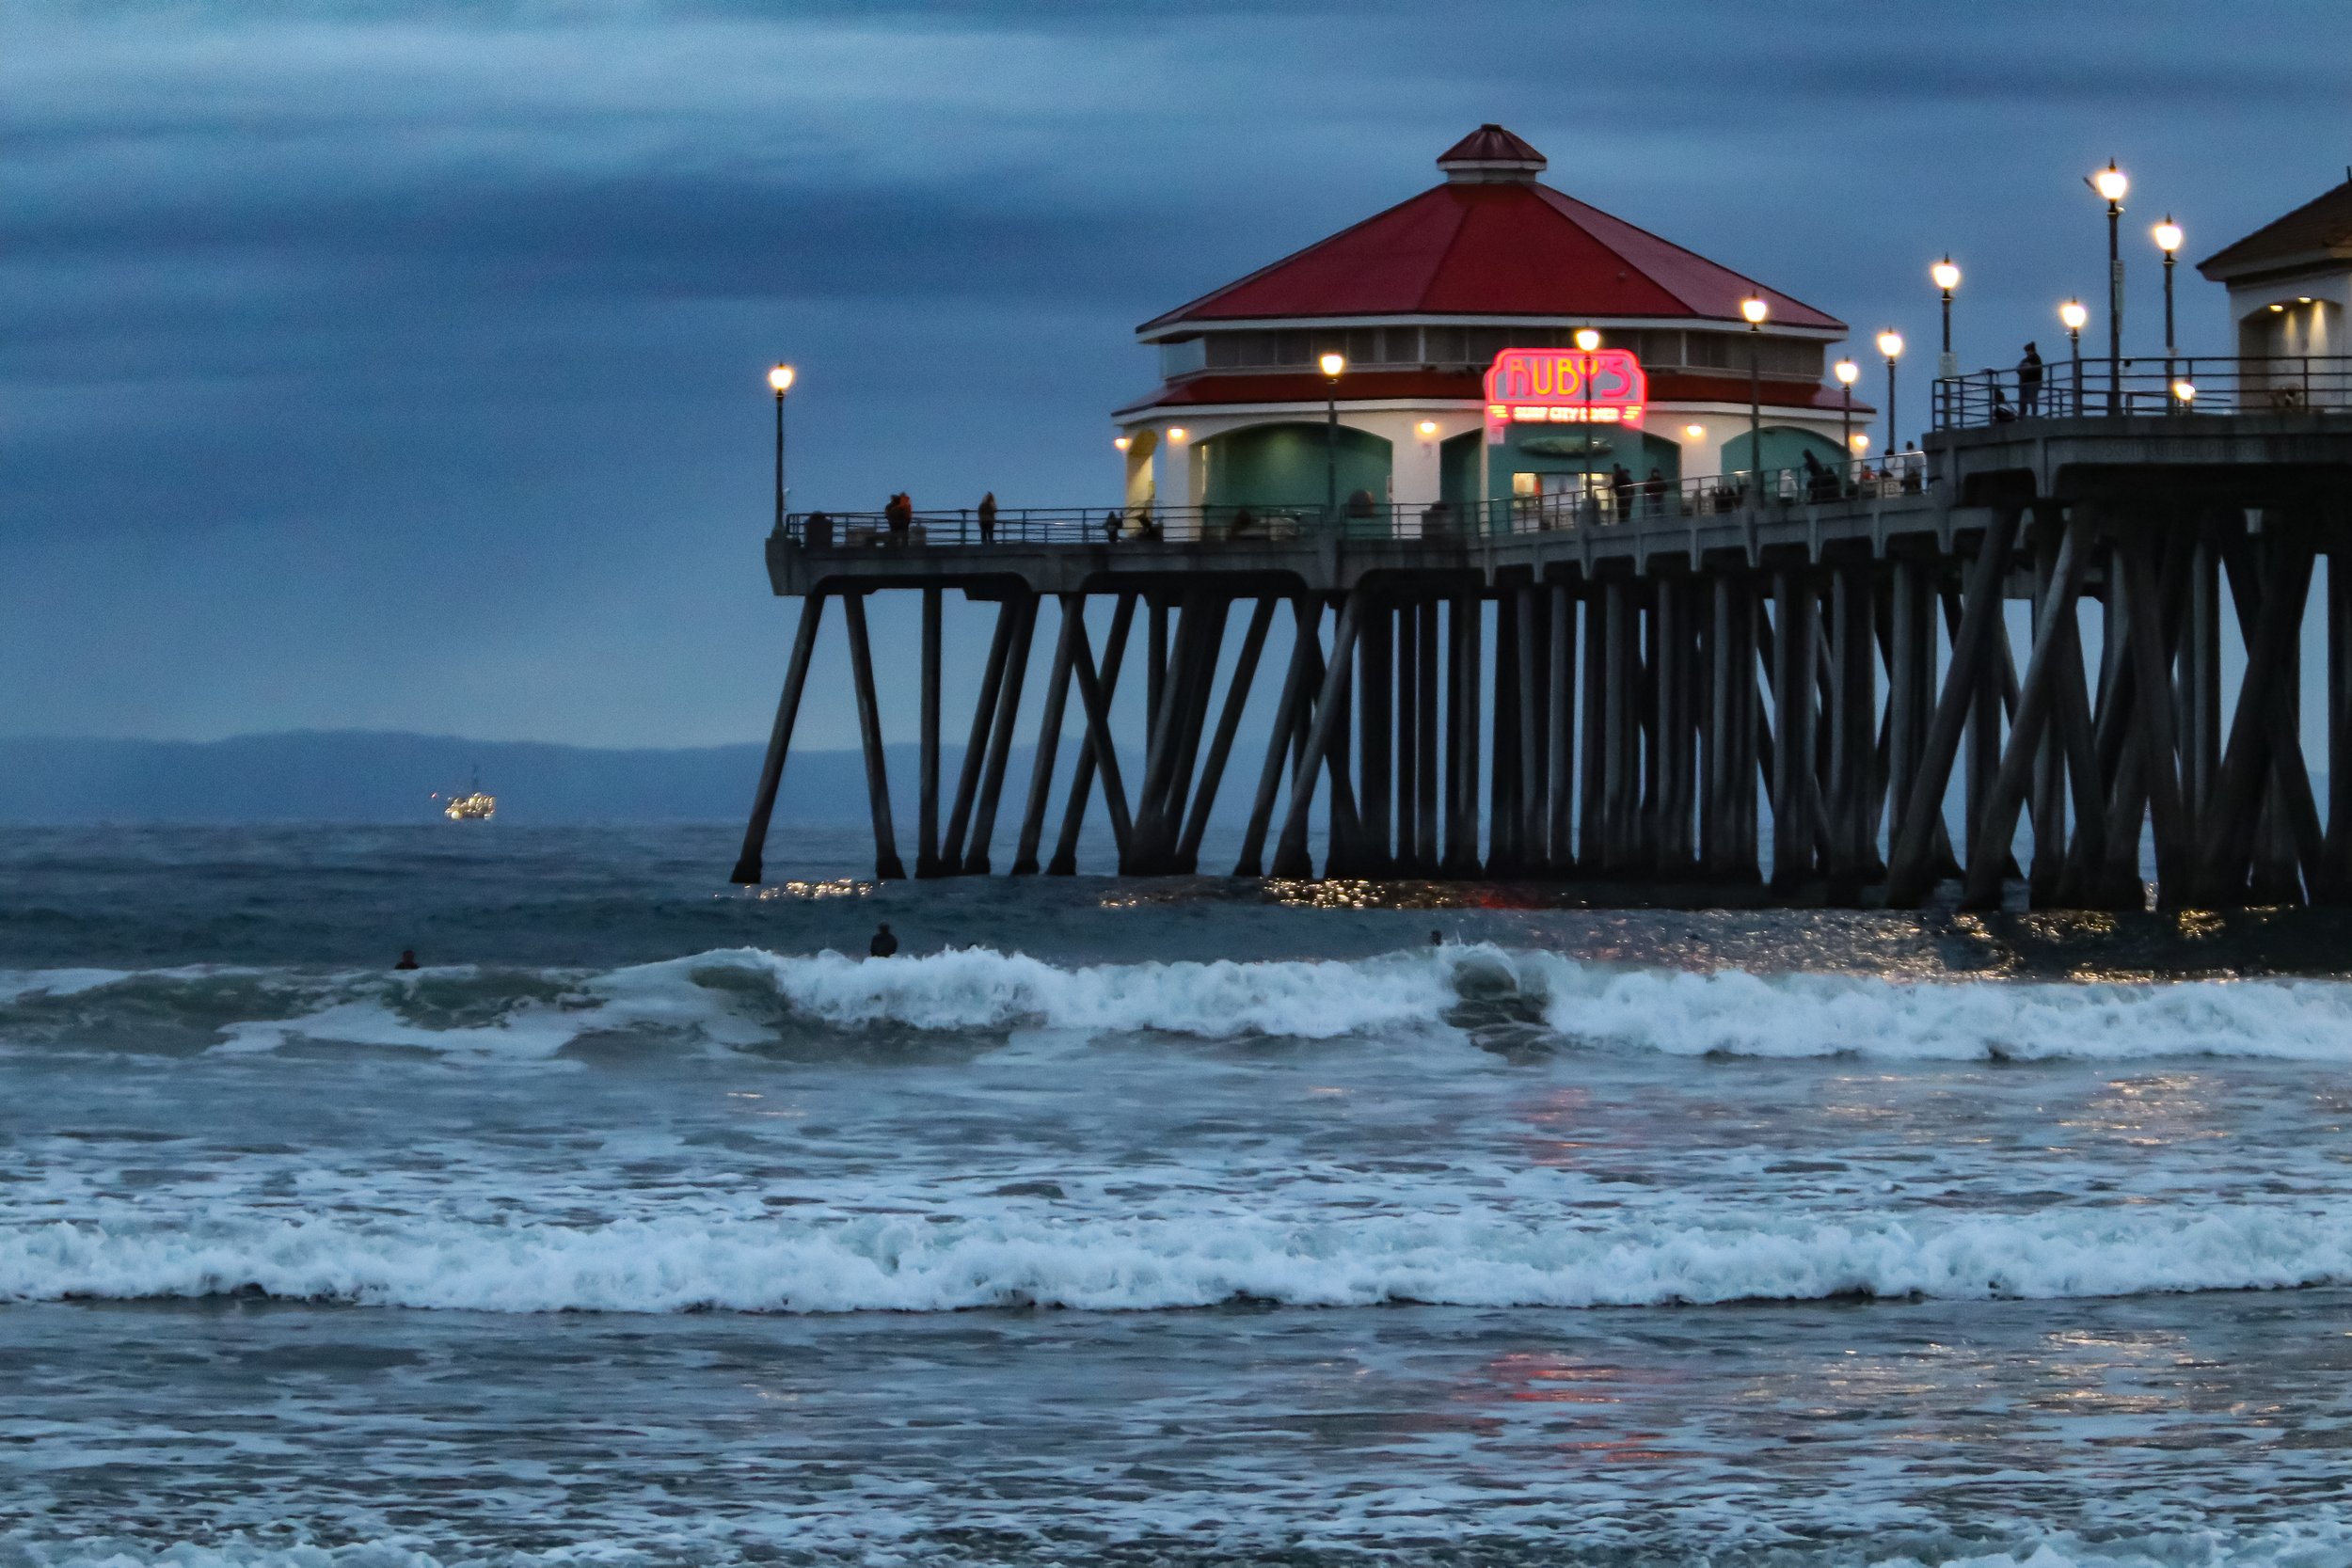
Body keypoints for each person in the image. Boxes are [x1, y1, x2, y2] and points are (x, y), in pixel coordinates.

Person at [2018, 342, 2045, 417]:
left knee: (2032, 399)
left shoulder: (2035, 358)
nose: (2027, 353)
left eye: (2028, 351)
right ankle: (2023, 414)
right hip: (2026, 383)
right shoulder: (2028, 359)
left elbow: (2034, 369)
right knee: (2025, 400)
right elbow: (2019, 369)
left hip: (2033, 382)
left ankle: (2033, 414)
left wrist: (2026, 367)